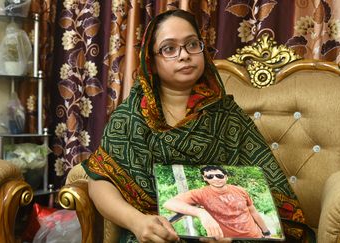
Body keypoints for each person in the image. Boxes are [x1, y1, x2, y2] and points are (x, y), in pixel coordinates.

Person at [82, 9, 308, 243]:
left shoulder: (227, 116)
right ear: (152, 61)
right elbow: (100, 181)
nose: (184, 55)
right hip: (155, 234)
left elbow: (268, 191)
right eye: (169, 48)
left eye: (192, 44)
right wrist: (137, 222)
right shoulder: (130, 118)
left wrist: (232, 233)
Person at [163, 165, 271, 239]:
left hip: (255, 236)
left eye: (219, 176)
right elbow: (169, 203)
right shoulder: (201, 194)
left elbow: (253, 212)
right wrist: (201, 213)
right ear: (205, 178)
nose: (215, 179)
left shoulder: (240, 190)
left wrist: (266, 232)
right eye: (210, 176)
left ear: (226, 177)